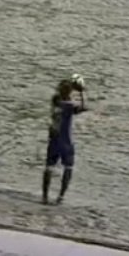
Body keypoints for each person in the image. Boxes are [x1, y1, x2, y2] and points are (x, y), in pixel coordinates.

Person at [42, 75, 87, 205]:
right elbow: (84, 107)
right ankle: (60, 197)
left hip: (54, 140)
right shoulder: (69, 107)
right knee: (68, 168)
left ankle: (45, 196)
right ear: (70, 93)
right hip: (66, 142)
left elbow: (59, 97)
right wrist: (82, 92)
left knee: (49, 167)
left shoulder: (55, 101)